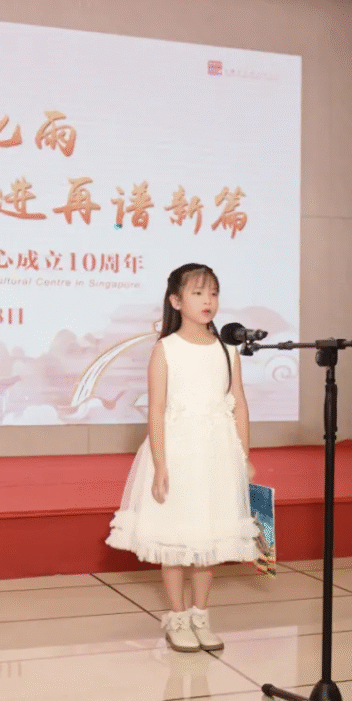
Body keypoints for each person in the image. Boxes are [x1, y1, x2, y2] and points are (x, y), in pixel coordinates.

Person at [106, 263, 259, 653]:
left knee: (208, 537)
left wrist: (243, 455)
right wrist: (160, 464)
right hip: (178, 451)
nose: (208, 301)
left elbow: (239, 403)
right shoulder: (166, 349)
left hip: (216, 452)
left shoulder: (228, 349)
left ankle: (200, 615)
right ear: (176, 301)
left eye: (213, 293)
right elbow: (156, 409)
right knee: (174, 536)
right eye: (198, 293)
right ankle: (177, 617)